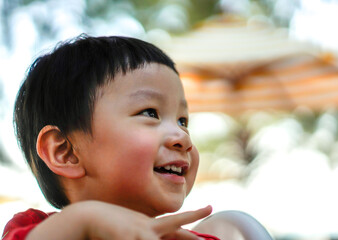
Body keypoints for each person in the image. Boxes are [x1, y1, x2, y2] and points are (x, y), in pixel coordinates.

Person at [2, 35, 220, 240]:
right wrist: (83, 221)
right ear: (65, 152)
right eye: (150, 113)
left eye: (183, 121)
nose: (183, 138)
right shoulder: (44, 230)